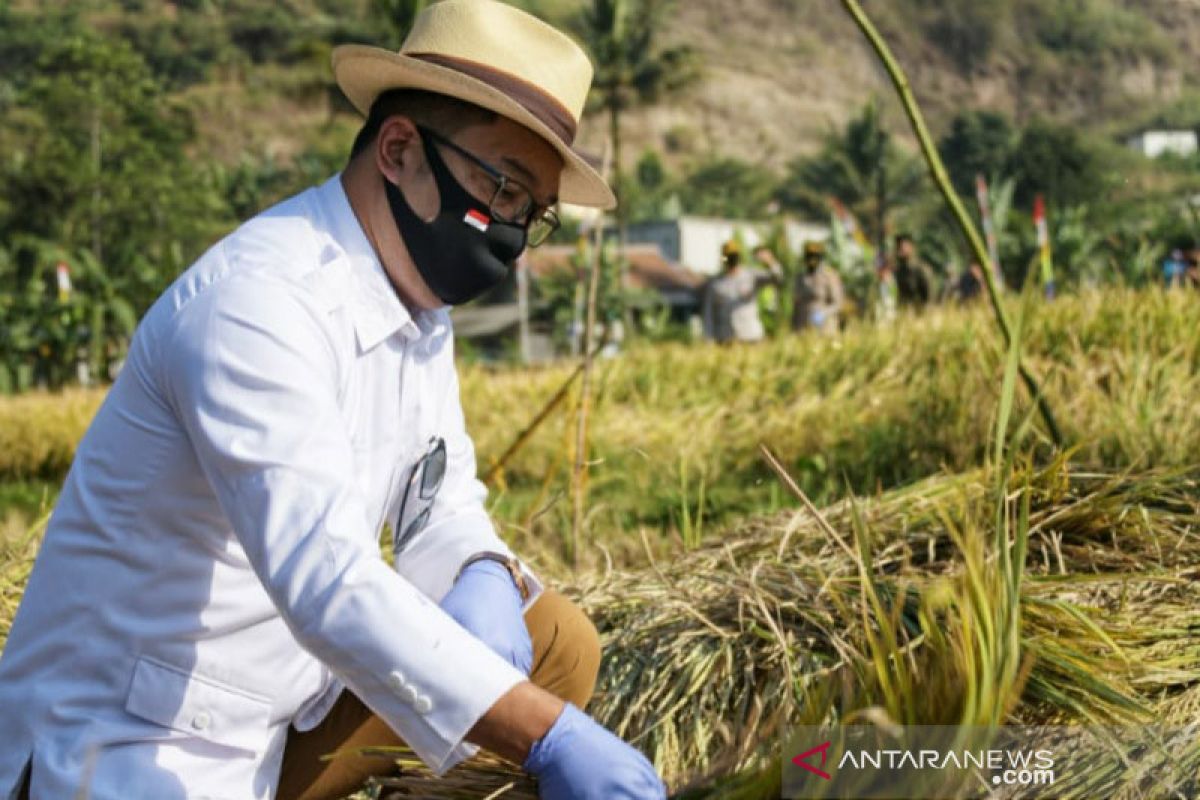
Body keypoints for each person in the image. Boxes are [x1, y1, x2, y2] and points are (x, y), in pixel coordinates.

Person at [0, 3, 666, 800]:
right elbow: (329, 583)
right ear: (398, 150)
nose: (515, 232)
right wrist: (545, 734)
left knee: (549, 639)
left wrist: (483, 568)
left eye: (535, 211)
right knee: (526, 708)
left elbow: (438, 504)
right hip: (133, 741)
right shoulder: (259, 303)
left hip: (276, 717)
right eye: (503, 187)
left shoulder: (417, 312)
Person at [701, 239, 780, 343]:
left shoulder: (752, 275)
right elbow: (708, 314)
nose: (732, 260)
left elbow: (777, 279)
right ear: (723, 259)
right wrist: (708, 339)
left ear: (739, 258)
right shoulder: (715, 283)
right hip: (725, 339)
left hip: (751, 337)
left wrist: (771, 262)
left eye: (734, 256)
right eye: (729, 257)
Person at [791, 240, 844, 334]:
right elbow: (796, 303)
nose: (812, 260)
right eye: (809, 256)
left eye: (815, 256)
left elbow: (838, 303)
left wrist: (823, 313)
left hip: (824, 325)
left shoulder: (829, 276)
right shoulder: (800, 277)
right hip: (802, 325)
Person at [892, 233, 935, 308]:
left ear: (911, 247)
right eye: (898, 246)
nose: (899, 250)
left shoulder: (922, 270)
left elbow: (929, 300)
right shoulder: (897, 271)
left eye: (902, 247)